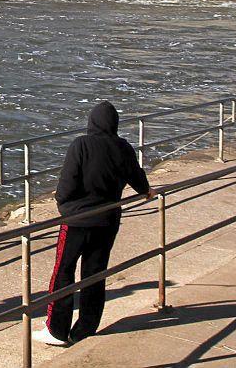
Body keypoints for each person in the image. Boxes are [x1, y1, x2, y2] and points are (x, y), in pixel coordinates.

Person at [34, 101, 155, 347]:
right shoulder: (123, 147)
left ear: (92, 122)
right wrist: (147, 191)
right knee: (95, 274)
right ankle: (85, 329)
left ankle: (56, 330)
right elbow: (138, 179)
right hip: (108, 219)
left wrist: (64, 207)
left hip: (77, 220)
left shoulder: (81, 145)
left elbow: (66, 185)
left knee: (63, 272)